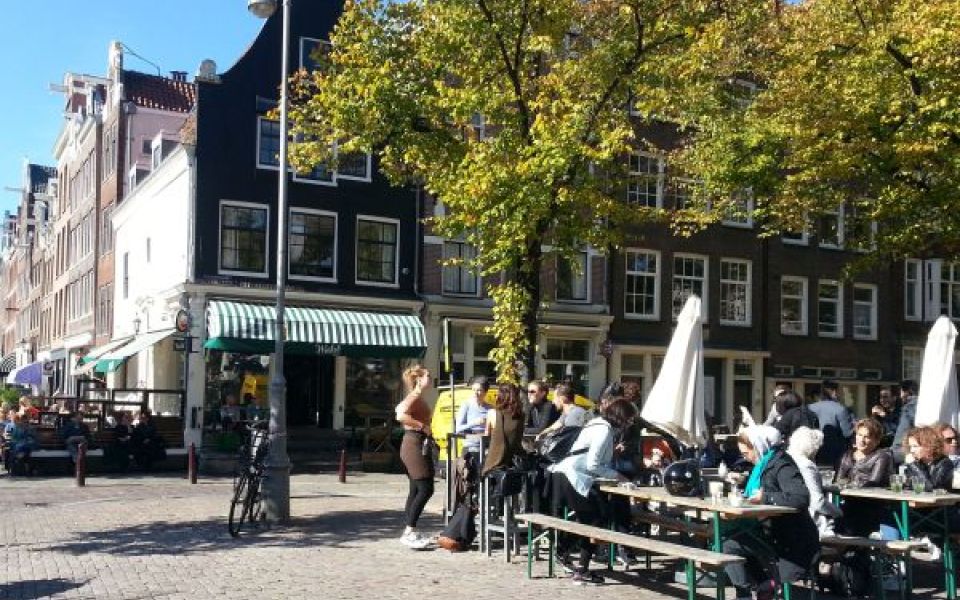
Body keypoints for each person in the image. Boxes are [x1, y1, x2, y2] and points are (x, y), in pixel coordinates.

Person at [723, 425, 818, 600]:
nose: (746, 457)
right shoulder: (765, 462)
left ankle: (767, 585)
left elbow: (801, 497)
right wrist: (744, 483)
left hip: (791, 539)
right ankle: (749, 591)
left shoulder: (782, 464)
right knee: (729, 544)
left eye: (746, 453)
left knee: (731, 542)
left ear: (759, 446)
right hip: (768, 532)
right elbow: (765, 486)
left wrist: (766, 497)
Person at [550, 398, 637, 585]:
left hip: (564, 473)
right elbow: (593, 464)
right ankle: (580, 567)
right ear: (622, 417)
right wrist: (619, 476)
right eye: (629, 419)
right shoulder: (604, 430)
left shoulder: (595, 424)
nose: (630, 423)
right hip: (574, 476)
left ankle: (565, 551)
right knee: (596, 520)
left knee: (591, 518)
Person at [394, 364, 435, 550]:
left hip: (415, 443)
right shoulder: (415, 396)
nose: (430, 379)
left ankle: (409, 530)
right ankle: (409, 531)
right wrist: (422, 426)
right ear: (419, 379)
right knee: (425, 488)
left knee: (415, 489)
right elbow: (400, 414)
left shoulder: (418, 397)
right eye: (428, 376)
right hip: (414, 444)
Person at [833, 418, 895, 538]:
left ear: (876, 441)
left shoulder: (882, 456)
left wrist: (851, 484)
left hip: (871, 506)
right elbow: (838, 480)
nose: (861, 439)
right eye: (859, 435)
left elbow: (874, 482)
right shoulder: (847, 455)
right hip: (849, 503)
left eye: (867, 437)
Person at [788, 427, 841, 537]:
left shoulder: (786, 459)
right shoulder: (806, 465)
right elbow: (817, 502)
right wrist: (838, 512)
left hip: (790, 517)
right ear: (813, 448)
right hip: (809, 521)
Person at [807, 380, 854, 466]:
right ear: (834, 392)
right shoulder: (840, 409)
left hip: (812, 451)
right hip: (835, 454)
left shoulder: (809, 408)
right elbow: (847, 433)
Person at [481, 383, 524, 477]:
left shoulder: (492, 413)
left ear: (500, 396)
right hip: (515, 458)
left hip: (496, 461)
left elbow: (487, 434)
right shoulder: (520, 415)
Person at [903, 426, 954, 491]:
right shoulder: (917, 462)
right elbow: (908, 487)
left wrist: (914, 465)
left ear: (928, 446)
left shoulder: (945, 463)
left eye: (915, 446)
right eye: (910, 446)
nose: (912, 450)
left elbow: (932, 488)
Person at [455, 376, 491, 453]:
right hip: (471, 448)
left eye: (479, 390)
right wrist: (474, 423)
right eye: (473, 389)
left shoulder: (490, 408)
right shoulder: (466, 405)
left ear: (485, 392)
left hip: (487, 447)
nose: (475, 393)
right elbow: (457, 429)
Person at [892, 379, 918, 463]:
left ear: (907, 392)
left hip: (903, 451)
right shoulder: (923, 405)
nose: (900, 396)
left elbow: (903, 432)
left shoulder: (909, 407)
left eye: (901, 392)